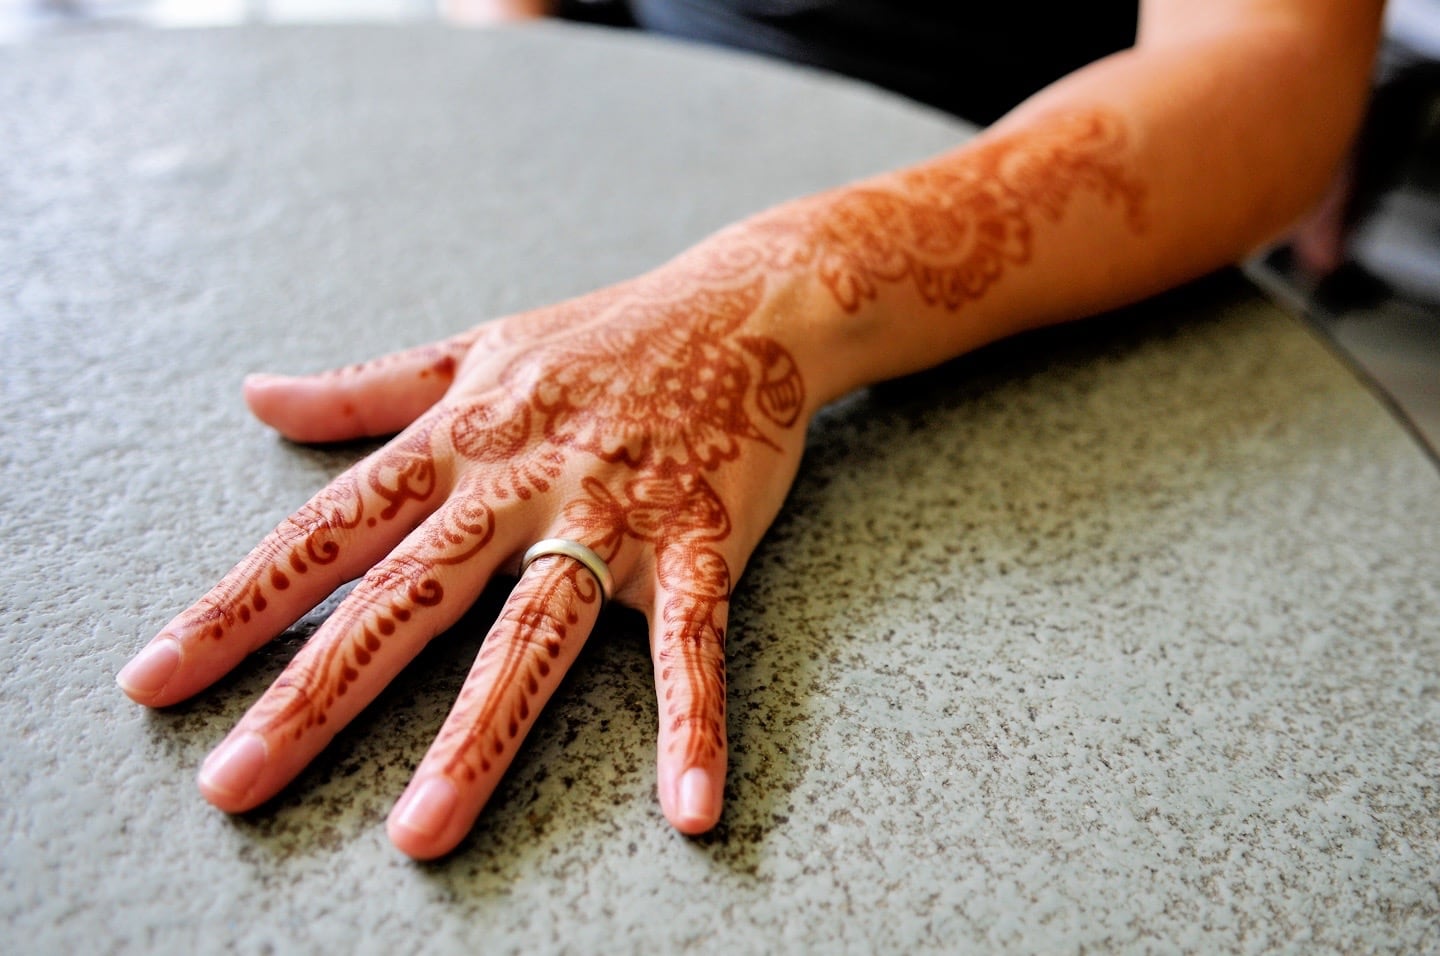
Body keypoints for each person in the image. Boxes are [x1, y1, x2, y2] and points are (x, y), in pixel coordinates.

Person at [117, 0, 1385, 861]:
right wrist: (504, 96)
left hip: (1008, 211)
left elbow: (1272, 60)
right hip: (610, 158)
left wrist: (769, 297)